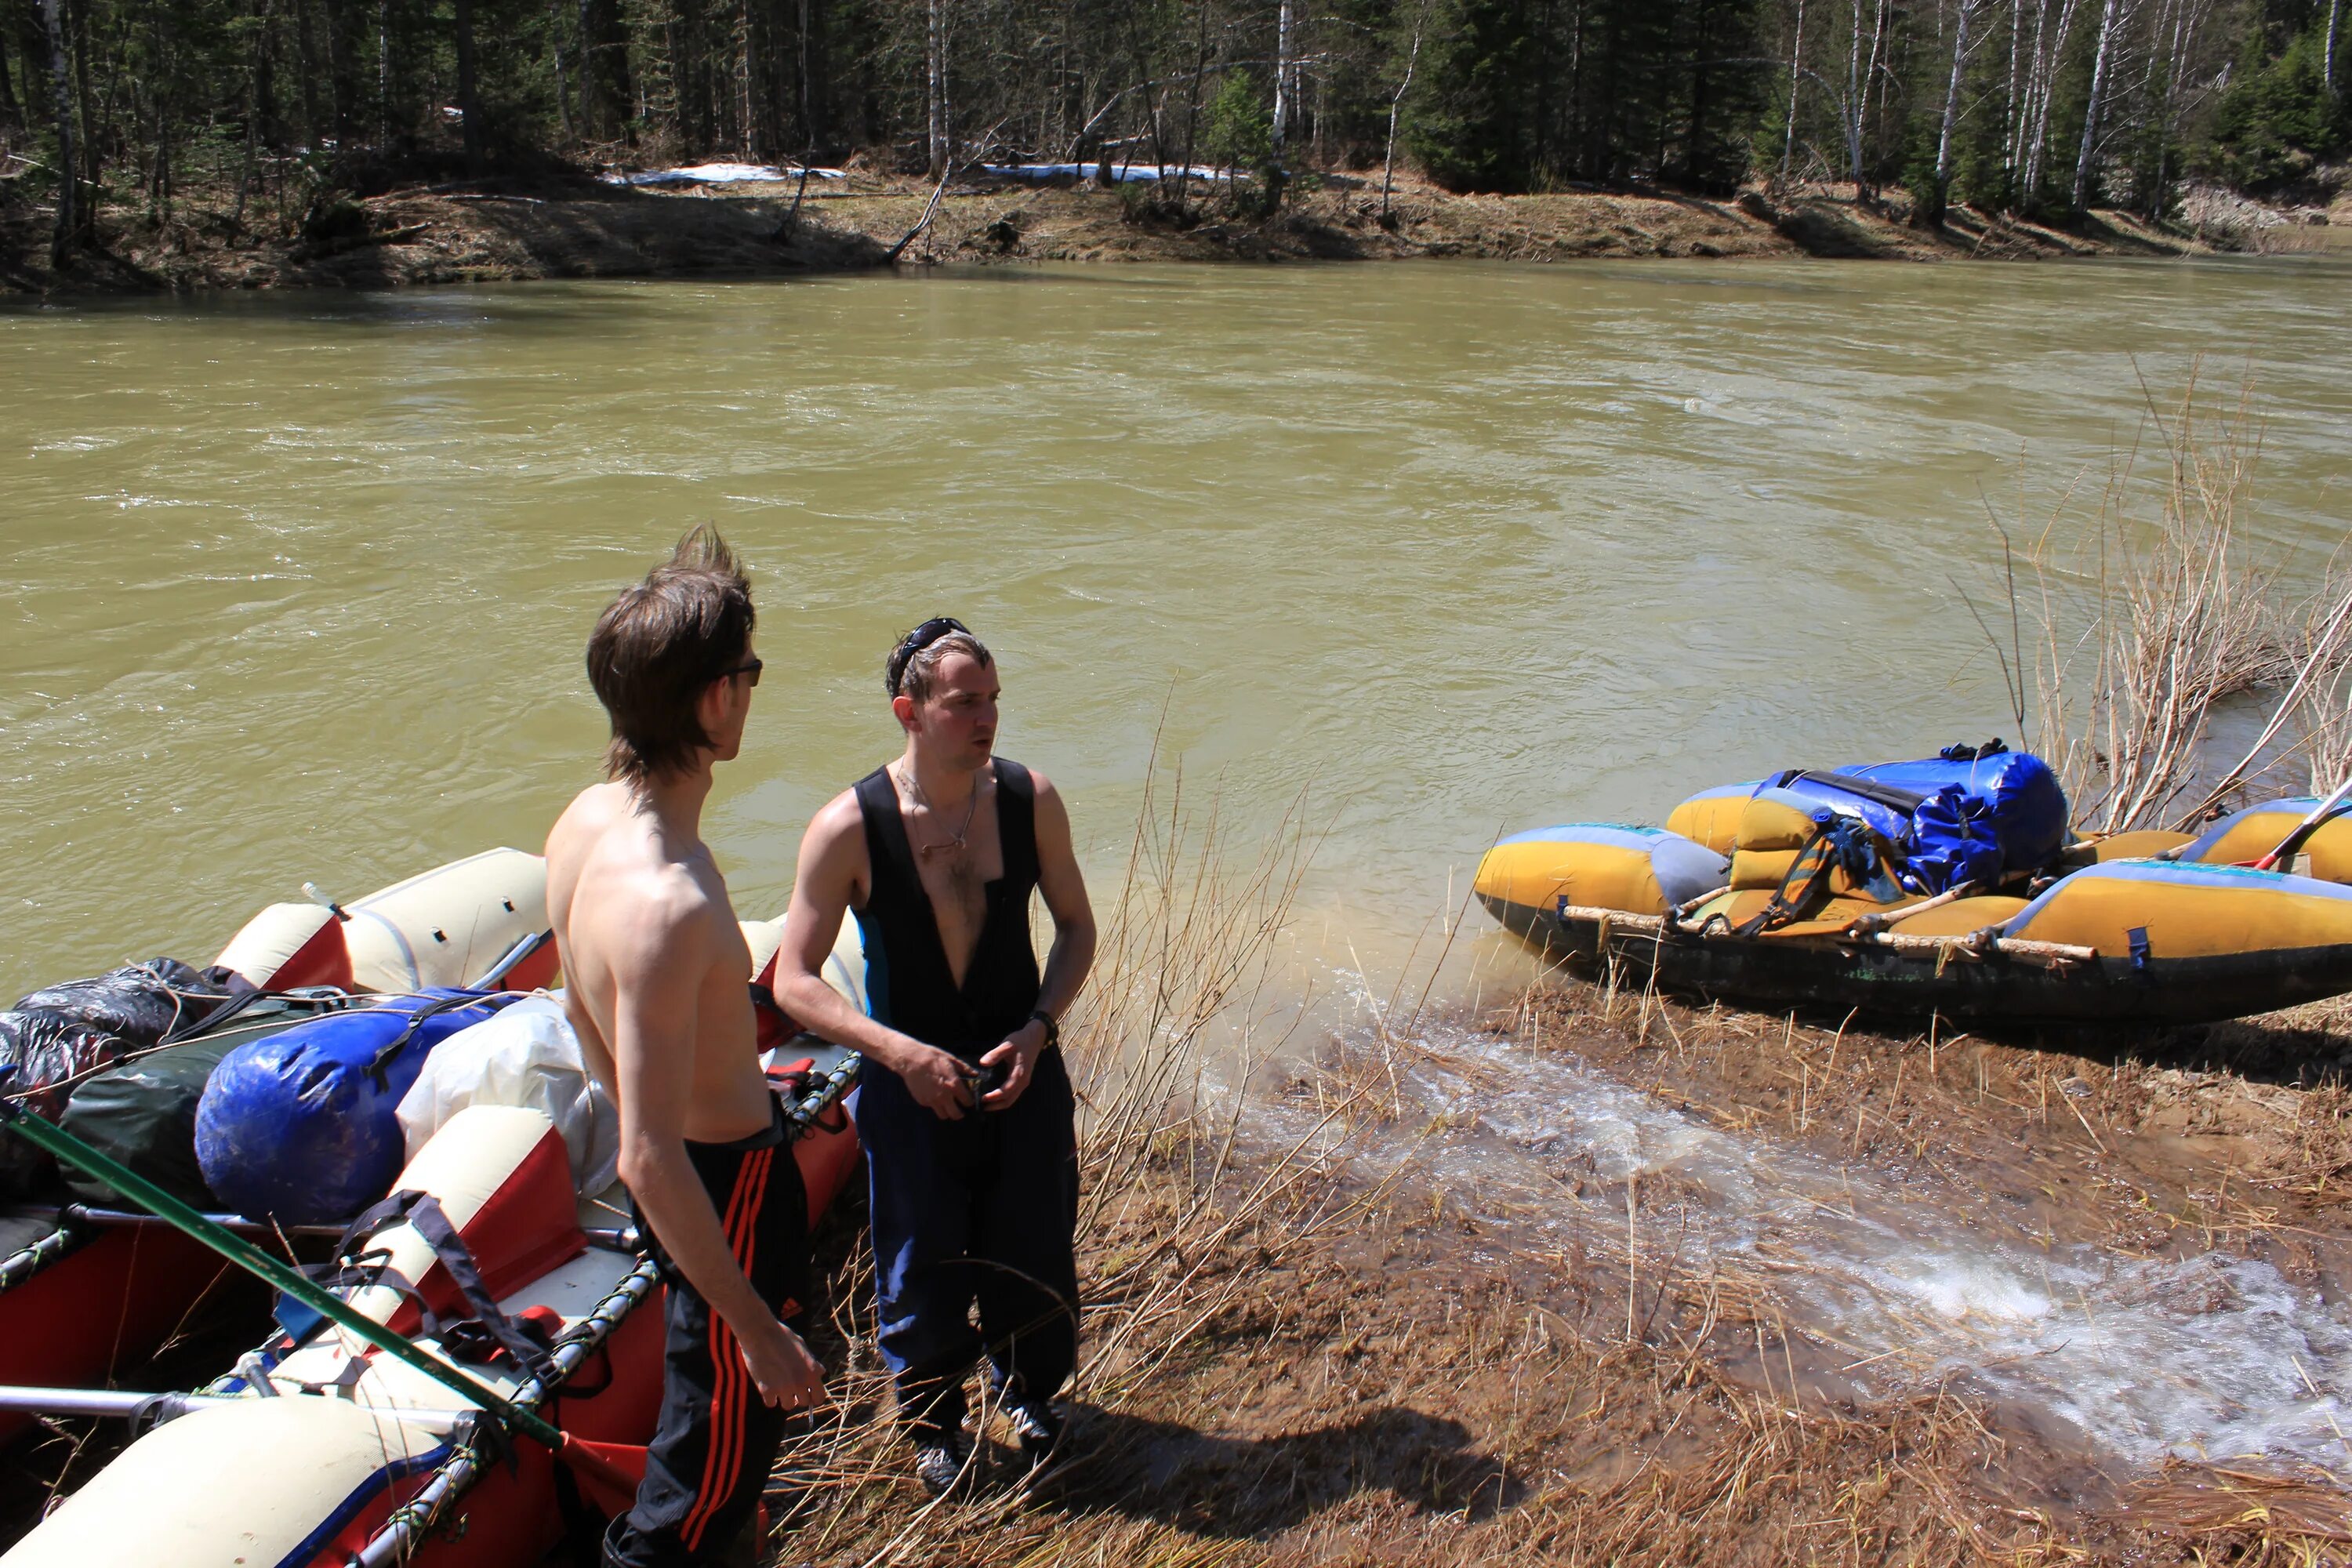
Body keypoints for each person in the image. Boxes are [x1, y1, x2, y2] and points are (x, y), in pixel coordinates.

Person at [546, 528, 827, 1568]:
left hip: (693, 1189)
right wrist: (756, 1323)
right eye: (749, 672)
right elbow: (648, 1159)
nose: (755, 690)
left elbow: (572, 1008)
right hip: (724, 1193)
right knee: (701, 1489)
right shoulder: (669, 901)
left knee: (712, 1458)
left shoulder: (583, 823)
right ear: (716, 700)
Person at [775, 617, 1097, 1494]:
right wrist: (898, 1053)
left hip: (1020, 1068)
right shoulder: (850, 825)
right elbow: (794, 980)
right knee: (920, 1264)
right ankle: (934, 1421)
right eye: (965, 702)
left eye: (993, 699)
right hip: (908, 1084)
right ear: (908, 710)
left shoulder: (1032, 800)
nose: (986, 716)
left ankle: (1029, 1393)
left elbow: (1076, 927)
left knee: (1033, 1246)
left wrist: (1037, 1028)